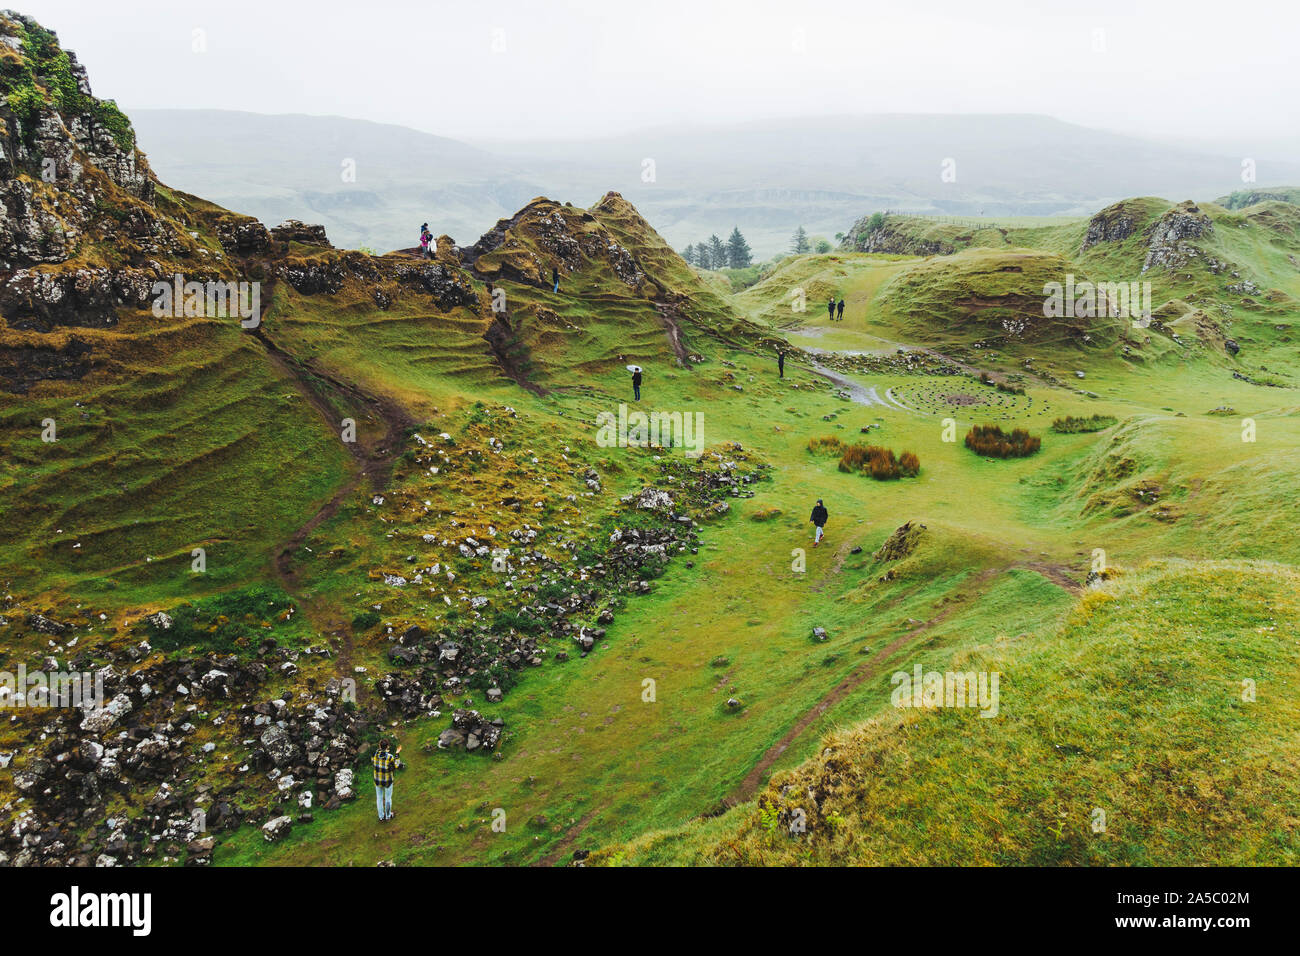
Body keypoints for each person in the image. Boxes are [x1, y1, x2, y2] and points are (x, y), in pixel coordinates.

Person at [372, 737, 402, 821]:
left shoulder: (375, 754)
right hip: (388, 781)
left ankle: (381, 817)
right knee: (388, 798)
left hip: (377, 780)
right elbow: (397, 765)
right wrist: (397, 753)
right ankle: (388, 816)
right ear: (388, 746)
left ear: (379, 745)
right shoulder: (390, 757)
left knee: (379, 798)